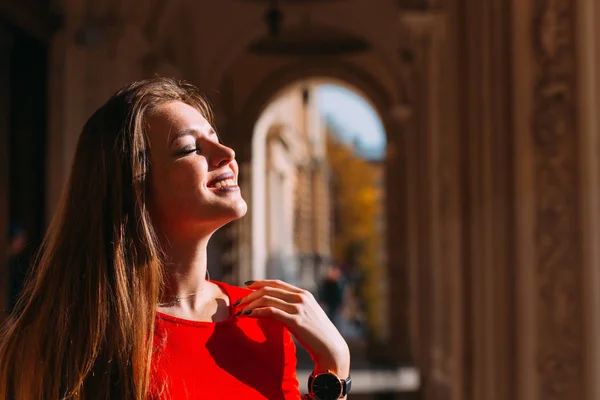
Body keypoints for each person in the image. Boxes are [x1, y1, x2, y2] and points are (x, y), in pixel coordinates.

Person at [0, 78, 351, 399]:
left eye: (214, 136)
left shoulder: (262, 320)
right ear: (132, 187)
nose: (226, 154)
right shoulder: (64, 342)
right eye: (189, 149)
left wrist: (334, 366)